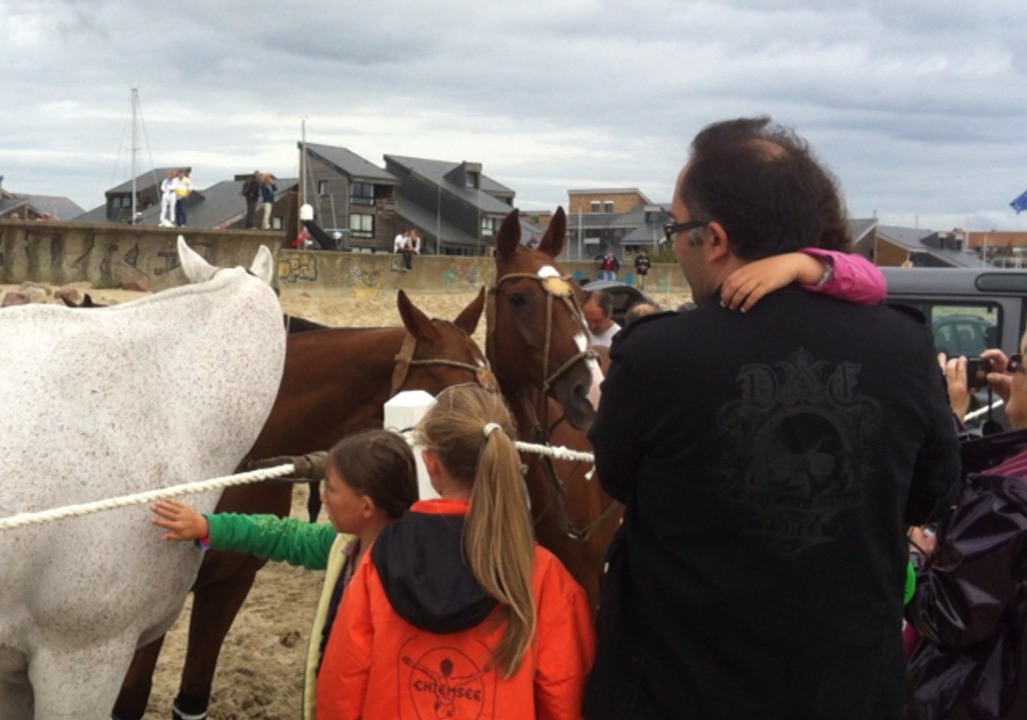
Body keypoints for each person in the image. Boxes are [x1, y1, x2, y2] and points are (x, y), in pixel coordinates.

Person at [585, 117, 960, 720]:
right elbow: (934, 489)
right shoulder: (904, 346)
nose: (674, 246)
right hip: (847, 692)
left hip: (679, 690)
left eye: (677, 229)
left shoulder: (655, 354)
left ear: (715, 238)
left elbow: (617, 478)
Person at [316, 384, 594, 720]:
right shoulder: (542, 574)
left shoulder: (381, 559)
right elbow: (563, 695)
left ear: (430, 464)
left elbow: (343, 683)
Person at [151, 429, 418, 720]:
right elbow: (280, 535)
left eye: (331, 489)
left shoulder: (407, 571)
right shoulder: (342, 544)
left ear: (366, 505)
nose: (323, 498)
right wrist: (207, 526)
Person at [905, 343, 1027, 720]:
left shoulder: (1008, 496)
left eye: (1021, 364)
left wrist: (907, 553)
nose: (1011, 371)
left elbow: (948, 613)